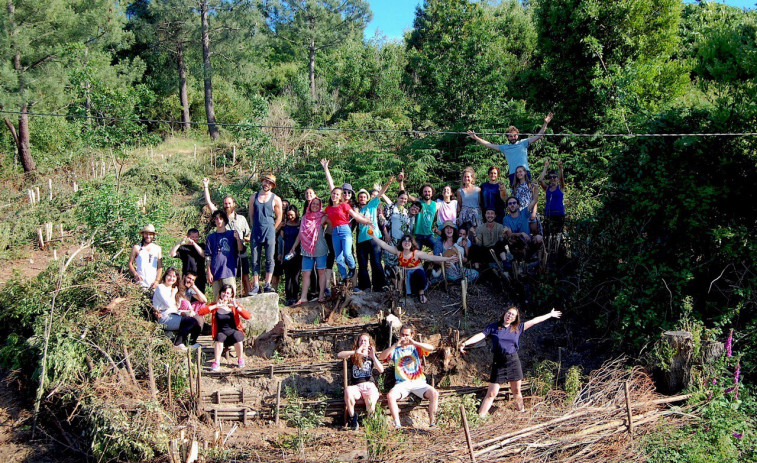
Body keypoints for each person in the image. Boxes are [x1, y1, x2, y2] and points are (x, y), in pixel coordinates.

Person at [459, 306, 562, 415]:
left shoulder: (518, 327)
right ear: (504, 314)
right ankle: (480, 416)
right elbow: (481, 335)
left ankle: (522, 414)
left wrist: (550, 315)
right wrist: (465, 343)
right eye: (508, 313)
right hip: (498, 362)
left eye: (513, 315)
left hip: (513, 361)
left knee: (517, 392)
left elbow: (534, 321)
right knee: (491, 393)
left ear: (515, 318)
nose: (509, 316)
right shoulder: (494, 327)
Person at [467, 112, 554, 187]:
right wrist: (476, 138)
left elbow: (538, 136)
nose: (513, 138)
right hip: (513, 174)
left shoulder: (523, 143)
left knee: (528, 193)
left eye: (514, 135)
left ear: (518, 135)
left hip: (525, 172)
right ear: (507, 137)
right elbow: (489, 145)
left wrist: (545, 123)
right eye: (510, 136)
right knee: (515, 195)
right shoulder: (505, 148)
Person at [368, 232, 456, 304]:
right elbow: (384, 245)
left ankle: (421, 294)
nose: (407, 243)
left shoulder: (417, 253)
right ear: (401, 243)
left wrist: (447, 259)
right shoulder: (398, 251)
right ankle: (399, 292)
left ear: (412, 243)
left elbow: (432, 257)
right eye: (404, 241)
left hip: (416, 276)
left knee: (419, 273)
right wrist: (373, 236)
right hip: (404, 276)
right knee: (393, 270)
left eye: (409, 241)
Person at [379, 325, 439, 429]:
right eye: (402, 334)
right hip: (402, 383)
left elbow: (431, 348)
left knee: (434, 393)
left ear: (411, 335)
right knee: (391, 396)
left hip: (418, 382)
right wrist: (394, 345)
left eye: (407, 335)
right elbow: (382, 357)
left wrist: (414, 342)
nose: (404, 337)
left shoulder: (415, 347)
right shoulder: (396, 349)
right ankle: (397, 424)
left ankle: (432, 422)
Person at [203, 179, 252, 295]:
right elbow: (209, 203)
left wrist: (244, 239)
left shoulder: (241, 219)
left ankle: (248, 294)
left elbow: (248, 234)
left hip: (239, 250)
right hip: (224, 253)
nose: (227, 205)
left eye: (229, 203)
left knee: (244, 274)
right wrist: (206, 186)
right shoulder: (220, 215)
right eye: (225, 203)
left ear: (234, 204)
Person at [198, 284, 252, 371]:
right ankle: (217, 362)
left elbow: (247, 316)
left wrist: (236, 306)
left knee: (237, 336)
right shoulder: (215, 305)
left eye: (228, 293)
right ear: (220, 293)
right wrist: (216, 306)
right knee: (219, 337)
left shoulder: (234, 305)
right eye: (224, 292)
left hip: (233, 332)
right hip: (221, 333)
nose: (225, 295)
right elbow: (201, 312)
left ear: (231, 295)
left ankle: (240, 359)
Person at [337, 332, 385, 430]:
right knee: (348, 390)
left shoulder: (371, 355)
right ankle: (352, 418)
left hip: (369, 385)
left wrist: (373, 356)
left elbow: (381, 370)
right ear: (358, 342)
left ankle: (370, 421)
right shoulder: (354, 354)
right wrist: (355, 352)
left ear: (369, 343)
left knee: (371, 401)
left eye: (365, 341)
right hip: (357, 386)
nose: (363, 342)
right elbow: (340, 354)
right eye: (361, 340)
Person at [355, 177, 394, 293]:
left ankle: (380, 286)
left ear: (367, 198)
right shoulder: (355, 210)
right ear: (358, 199)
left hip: (375, 238)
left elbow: (380, 194)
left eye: (364, 197)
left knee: (376, 262)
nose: (362, 198)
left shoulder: (372, 205)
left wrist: (387, 183)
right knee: (362, 263)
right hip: (361, 239)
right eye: (360, 197)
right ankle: (365, 286)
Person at [325, 187, 372, 283]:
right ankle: (344, 277)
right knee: (338, 258)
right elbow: (321, 216)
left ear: (340, 196)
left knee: (347, 253)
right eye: (333, 193)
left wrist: (366, 221)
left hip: (345, 230)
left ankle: (352, 267)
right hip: (335, 232)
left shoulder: (344, 205)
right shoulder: (328, 208)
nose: (334, 195)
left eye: (337, 194)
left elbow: (355, 215)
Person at [247, 173, 283, 294]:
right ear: (262, 182)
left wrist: (273, 228)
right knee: (255, 259)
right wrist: (254, 227)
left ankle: (267, 283)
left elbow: (279, 217)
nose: (266, 184)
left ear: (272, 185)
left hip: (269, 230)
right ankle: (256, 285)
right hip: (256, 230)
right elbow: (251, 215)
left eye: (269, 183)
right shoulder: (253, 197)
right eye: (265, 181)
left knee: (269, 258)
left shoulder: (276, 199)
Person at [289, 197, 329, 304]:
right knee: (306, 273)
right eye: (313, 204)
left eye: (317, 204)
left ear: (320, 205)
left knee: (321, 272)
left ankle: (321, 295)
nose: (315, 206)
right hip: (306, 249)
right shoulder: (304, 218)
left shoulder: (323, 217)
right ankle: (303, 297)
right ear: (309, 205)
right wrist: (294, 246)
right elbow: (300, 234)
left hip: (320, 248)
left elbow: (335, 220)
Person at [152, 267, 202, 350]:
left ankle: (190, 343)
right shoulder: (160, 287)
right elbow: (168, 304)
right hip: (164, 317)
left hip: (173, 315)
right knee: (189, 321)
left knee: (196, 323)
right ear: (165, 276)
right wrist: (173, 293)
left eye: (174, 276)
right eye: (169, 276)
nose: (171, 278)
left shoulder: (174, 288)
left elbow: (175, 307)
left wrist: (184, 312)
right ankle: (178, 343)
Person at [205, 209, 245, 299]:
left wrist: (238, 239)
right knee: (217, 300)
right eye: (216, 219)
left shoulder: (232, 234)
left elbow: (240, 249)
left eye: (221, 218)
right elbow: (208, 256)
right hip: (215, 272)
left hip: (228, 271)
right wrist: (209, 272)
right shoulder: (210, 237)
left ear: (224, 220)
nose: (218, 221)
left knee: (230, 299)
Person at [398, 172, 438, 252]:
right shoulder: (418, 201)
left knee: (438, 247)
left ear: (432, 193)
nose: (427, 193)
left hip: (429, 234)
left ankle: (434, 264)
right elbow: (404, 195)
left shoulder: (435, 204)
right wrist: (401, 181)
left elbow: (436, 217)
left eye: (429, 191)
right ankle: (417, 264)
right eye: (425, 191)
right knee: (415, 254)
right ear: (422, 193)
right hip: (417, 234)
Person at [502, 196, 543, 261]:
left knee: (539, 238)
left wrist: (536, 187)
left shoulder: (524, 213)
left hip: (528, 241)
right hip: (516, 243)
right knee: (512, 241)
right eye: (510, 204)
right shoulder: (506, 219)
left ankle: (537, 258)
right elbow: (510, 234)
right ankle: (519, 259)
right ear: (507, 207)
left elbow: (535, 200)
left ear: (518, 205)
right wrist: (521, 234)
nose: (512, 205)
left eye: (514, 203)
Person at [169, 228, 206, 293]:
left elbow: (203, 254)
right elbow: (171, 254)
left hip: (200, 277)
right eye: (192, 237)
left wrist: (194, 244)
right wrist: (179, 243)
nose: (195, 239)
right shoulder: (183, 248)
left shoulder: (201, 246)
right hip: (187, 277)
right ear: (188, 237)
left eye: (196, 237)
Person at [538, 159, 566, 242]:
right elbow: (540, 180)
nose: (553, 179)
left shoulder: (560, 188)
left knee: (558, 236)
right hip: (549, 214)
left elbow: (562, 179)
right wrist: (545, 167)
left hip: (559, 215)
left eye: (554, 177)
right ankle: (547, 252)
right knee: (547, 236)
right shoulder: (547, 188)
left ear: (557, 178)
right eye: (550, 177)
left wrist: (560, 168)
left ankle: (558, 251)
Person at [129, 224, 163, 290]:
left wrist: (157, 280)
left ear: (153, 235)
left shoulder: (157, 248)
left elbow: (160, 267)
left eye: (150, 234)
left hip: (153, 283)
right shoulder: (137, 247)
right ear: (143, 234)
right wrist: (135, 274)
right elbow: (130, 263)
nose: (148, 236)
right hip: (140, 282)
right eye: (146, 234)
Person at [279, 205, 301, 305]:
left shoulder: (300, 223)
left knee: (296, 276)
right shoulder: (284, 225)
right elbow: (281, 240)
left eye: (292, 215)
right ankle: (288, 298)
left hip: (297, 253)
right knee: (288, 276)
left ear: (296, 214)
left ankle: (295, 297)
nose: (290, 217)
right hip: (287, 253)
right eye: (288, 215)